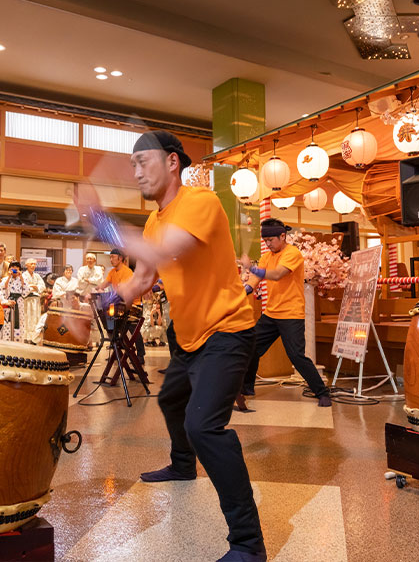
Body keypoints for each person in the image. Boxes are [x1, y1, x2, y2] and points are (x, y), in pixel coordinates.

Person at [100, 130, 265, 561]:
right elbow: (141, 280)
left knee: (203, 426)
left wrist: (101, 221)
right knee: (173, 399)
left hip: (227, 330)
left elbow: (169, 251)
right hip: (188, 336)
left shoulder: (200, 203)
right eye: (132, 165)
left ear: (173, 162)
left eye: (144, 162)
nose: (136, 172)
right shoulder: (155, 219)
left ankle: (249, 544)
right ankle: (182, 465)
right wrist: (99, 303)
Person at [240, 218, 332, 407]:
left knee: (296, 356)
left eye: (271, 240)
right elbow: (256, 278)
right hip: (271, 314)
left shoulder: (292, 253)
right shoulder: (267, 256)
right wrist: (245, 291)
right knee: (250, 348)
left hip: (291, 314)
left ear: (283, 236)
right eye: (265, 240)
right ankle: (247, 387)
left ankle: (322, 393)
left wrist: (250, 266)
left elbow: (277, 274)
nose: (267, 244)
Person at [0, 261, 29, 341]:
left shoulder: (23, 278)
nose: (14, 269)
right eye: (12, 267)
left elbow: (26, 291)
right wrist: (9, 277)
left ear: (19, 269)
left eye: (16, 268)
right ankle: (7, 340)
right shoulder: (6, 279)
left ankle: (18, 340)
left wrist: (21, 276)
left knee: (20, 320)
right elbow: (3, 289)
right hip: (9, 301)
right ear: (9, 269)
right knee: (8, 320)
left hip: (19, 302)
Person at [22, 258, 44, 343]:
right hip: (27, 299)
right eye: (31, 264)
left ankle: (34, 338)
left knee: (35, 318)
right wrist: (33, 287)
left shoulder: (37, 276)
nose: (33, 266)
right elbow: (25, 287)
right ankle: (26, 337)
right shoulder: (23, 275)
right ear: (26, 265)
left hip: (36, 300)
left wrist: (36, 287)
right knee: (27, 318)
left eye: (34, 264)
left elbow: (42, 286)